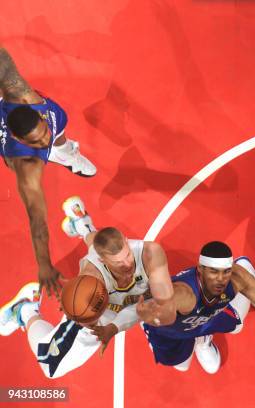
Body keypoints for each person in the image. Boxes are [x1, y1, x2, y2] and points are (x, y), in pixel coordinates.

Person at [0, 197, 175, 378]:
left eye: (128, 255)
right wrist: (79, 311)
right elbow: (86, 319)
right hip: (103, 311)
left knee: (99, 244)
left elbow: (167, 308)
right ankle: (25, 310)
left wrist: (155, 311)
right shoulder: (91, 276)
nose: (128, 264)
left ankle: (83, 225)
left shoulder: (150, 253)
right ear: (102, 261)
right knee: (51, 367)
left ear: (126, 240)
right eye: (119, 262)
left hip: (122, 297)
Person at [139, 241, 255, 374]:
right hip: (171, 330)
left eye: (226, 272)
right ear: (201, 269)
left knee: (237, 326)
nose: (221, 280)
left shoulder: (236, 278)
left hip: (203, 321)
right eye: (214, 272)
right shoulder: (184, 294)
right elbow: (159, 300)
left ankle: (245, 267)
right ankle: (197, 336)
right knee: (181, 366)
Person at [0, 47, 97, 298]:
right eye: (38, 140)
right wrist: (44, 263)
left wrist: (48, 136)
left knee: (59, 130)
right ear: (18, 138)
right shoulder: (26, 164)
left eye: (44, 131)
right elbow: (38, 221)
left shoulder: (23, 96)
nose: (44, 138)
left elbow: (3, 60)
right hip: (21, 151)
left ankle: (64, 152)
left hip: (33, 115)